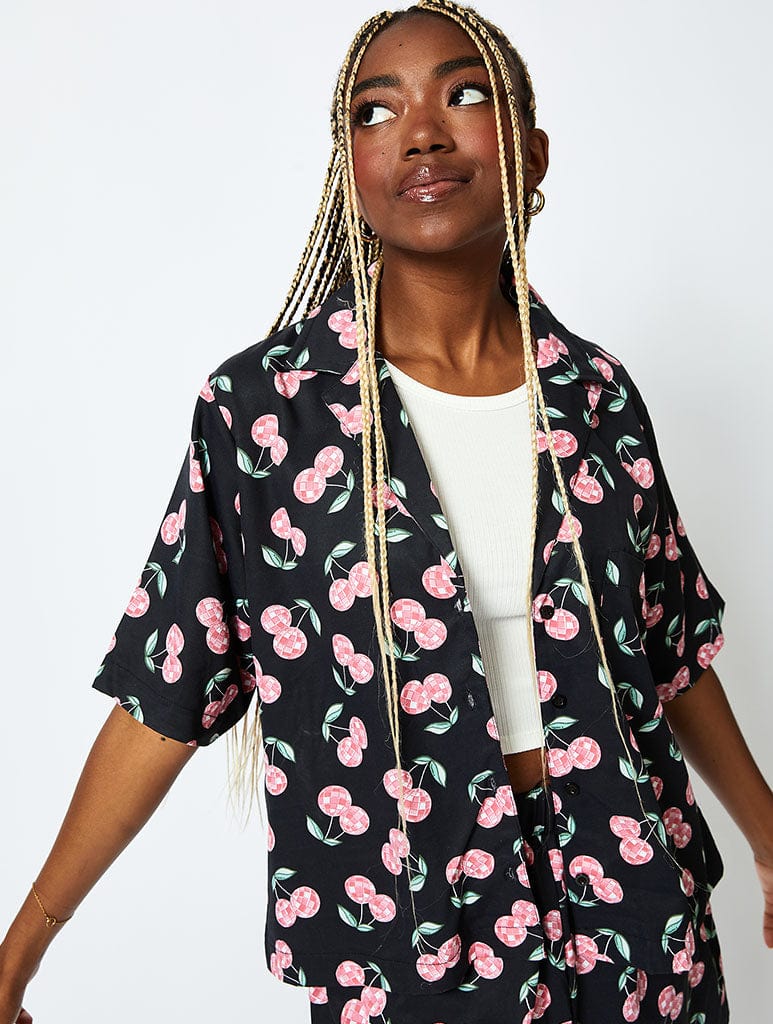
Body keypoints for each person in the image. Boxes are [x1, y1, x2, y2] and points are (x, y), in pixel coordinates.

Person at [1, 1, 771, 1022]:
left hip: (636, 925)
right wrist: (22, 947)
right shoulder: (267, 413)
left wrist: (767, 838)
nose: (420, 133)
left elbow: (669, 651)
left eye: (463, 94)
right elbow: (165, 687)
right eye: (375, 111)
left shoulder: (594, 397)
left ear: (531, 153)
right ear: (349, 171)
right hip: (412, 945)